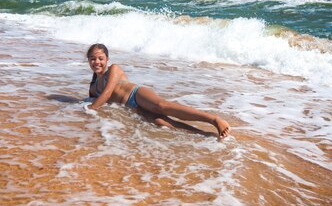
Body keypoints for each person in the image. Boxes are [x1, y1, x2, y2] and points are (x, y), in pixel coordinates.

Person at [86, 43, 230, 139]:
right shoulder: (93, 86)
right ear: (88, 61)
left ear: (107, 59)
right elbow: (94, 100)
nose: (97, 62)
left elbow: (107, 94)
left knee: (161, 106)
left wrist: (89, 109)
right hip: (132, 109)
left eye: (100, 58)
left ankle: (214, 119)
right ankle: (205, 135)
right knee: (162, 123)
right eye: (92, 59)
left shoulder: (114, 69)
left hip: (136, 95)